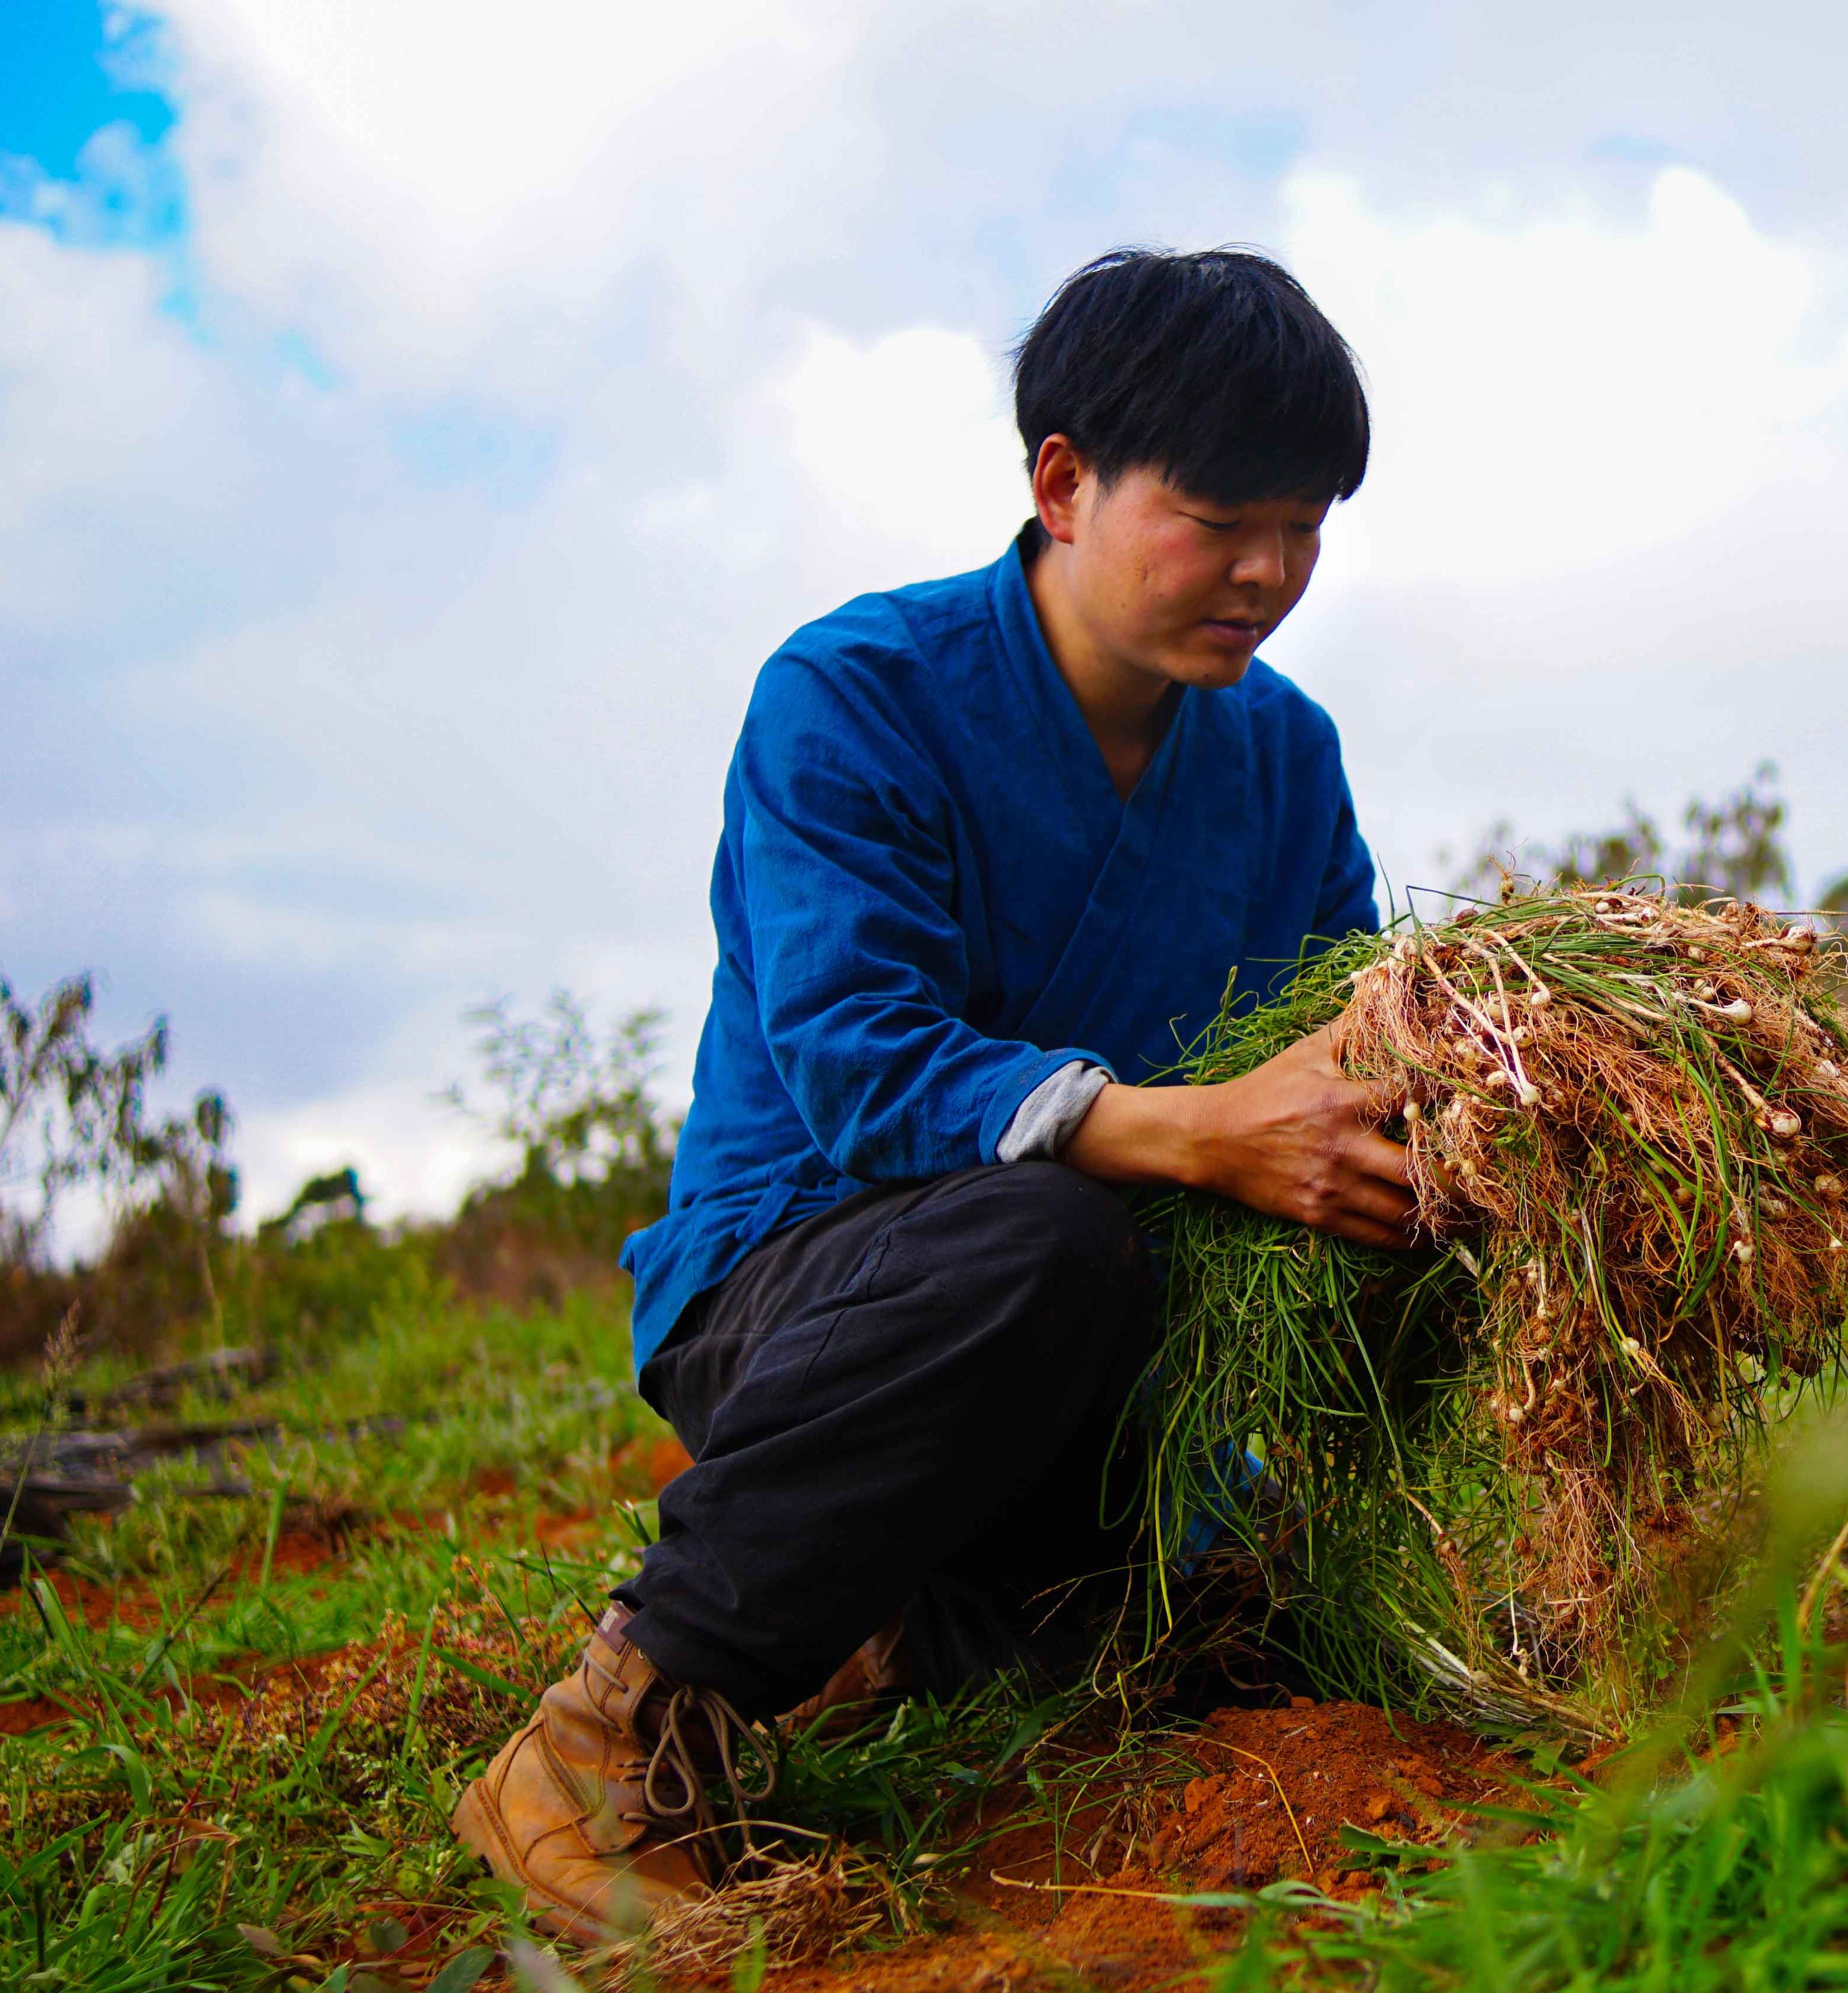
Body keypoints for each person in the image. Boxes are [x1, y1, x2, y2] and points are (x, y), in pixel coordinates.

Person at [453, 246, 1419, 1943]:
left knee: (1205, 1637)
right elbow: (857, 1060)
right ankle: (598, 1751)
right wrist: (1193, 1131)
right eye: (1216, 518)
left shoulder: (1282, 754)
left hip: (1110, 1338)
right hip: (813, 1281)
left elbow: (1339, 1039)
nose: (1269, 572)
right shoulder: (855, 695)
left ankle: (918, 1603)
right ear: (1062, 481)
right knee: (1045, 1243)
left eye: (1306, 524)